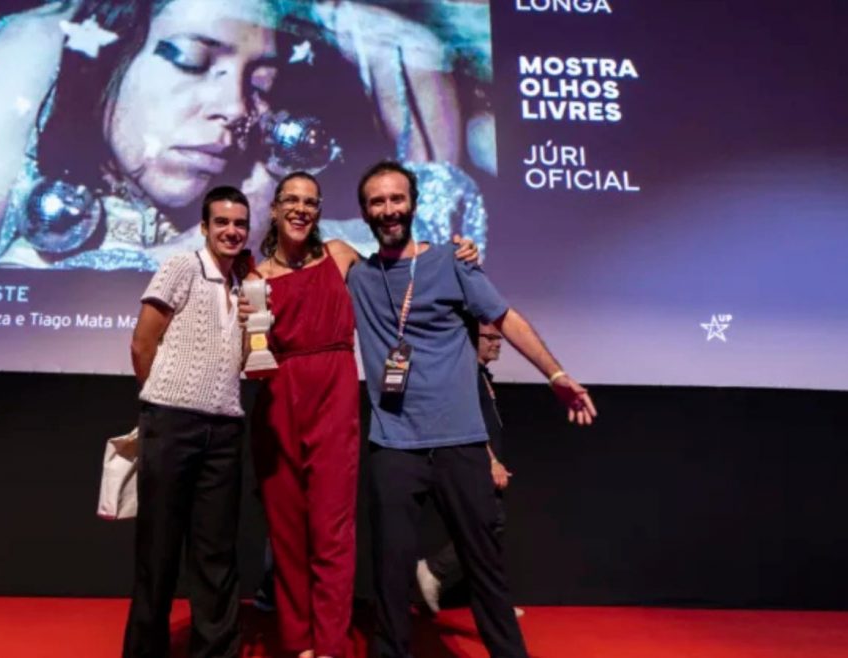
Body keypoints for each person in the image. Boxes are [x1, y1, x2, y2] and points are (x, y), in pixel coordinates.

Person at [0, 0, 495, 270]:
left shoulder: (269, 194)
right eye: (189, 60)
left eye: (262, 83)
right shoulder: (42, 44)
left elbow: (433, 263)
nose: (234, 108)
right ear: (107, 53)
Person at [346, 161, 597, 658]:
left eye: (397, 199)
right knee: (390, 573)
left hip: (459, 440)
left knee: (484, 566)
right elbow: (321, 252)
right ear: (365, 211)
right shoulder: (359, 276)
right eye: (377, 201)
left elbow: (505, 317)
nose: (389, 209)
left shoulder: (451, 262)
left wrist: (555, 375)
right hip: (393, 443)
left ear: (413, 204)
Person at [242, 171, 479, 658]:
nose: (300, 209)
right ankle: (298, 643)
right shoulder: (254, 279)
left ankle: (329, 645)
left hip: (334, 399)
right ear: (274, 208)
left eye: (310, 201)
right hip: (278, 402)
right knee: (287, 532)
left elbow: (403, 264)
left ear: (319, 210)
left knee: (332, 529)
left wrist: (457, 253)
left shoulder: (340, 256)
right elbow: (246, 355)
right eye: (291, 199)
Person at [123, 185, 251, 658]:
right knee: (158, 553)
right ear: (204, 227)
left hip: (225, 429)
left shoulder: (245, 286)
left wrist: (252, 322)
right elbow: (142, 343)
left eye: (240, 223)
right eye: (222, 222)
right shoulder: (182, 266)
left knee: (216, 554)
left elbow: (242, 360)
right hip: (173, 424)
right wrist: (161, 401)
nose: (232, 231)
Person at [415, 322, 521, 617]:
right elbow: (468, 420)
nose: (497, 343)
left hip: (483, 462)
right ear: (474, 340)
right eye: (491, 337)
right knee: (488, 526)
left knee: (489, 530)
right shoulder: (466, 375)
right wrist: (491, 461)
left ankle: (492, 602)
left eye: (499, 337)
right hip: (476, 463)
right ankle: (434, 569)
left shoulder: (481, 374)